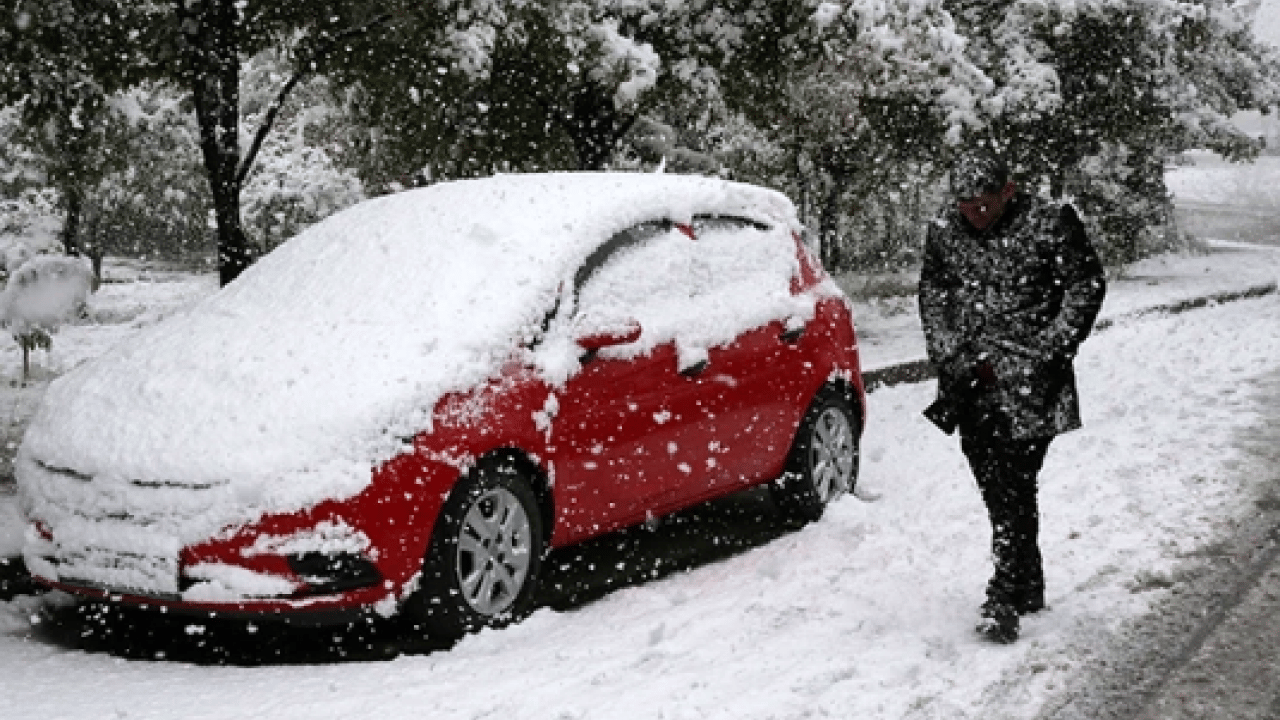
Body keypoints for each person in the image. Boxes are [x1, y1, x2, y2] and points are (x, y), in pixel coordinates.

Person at [918, 149, 1107, 644]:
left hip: (1030, 383)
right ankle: (1029, 579)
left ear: (1008, 190)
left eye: (984, 202)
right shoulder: (944, 230)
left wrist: (1048, 349)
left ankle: (1003, 592)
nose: (974, 212)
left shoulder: (1051, 222)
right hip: (970, 380)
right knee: (991, 478)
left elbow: (1085, 286)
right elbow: (933, 292)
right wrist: (946, 349)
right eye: (965, 203)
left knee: (1015, 479)